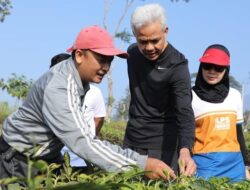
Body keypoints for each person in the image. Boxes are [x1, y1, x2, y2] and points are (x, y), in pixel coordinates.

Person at [0, 25, 176, 183]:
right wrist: (142, 164)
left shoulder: (78, 81)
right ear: (79, 55)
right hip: (18, 160)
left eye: (110, 61)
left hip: (45, 158)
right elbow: (82, 142)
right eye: (101, 59)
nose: (106, 67)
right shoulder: (60, 85)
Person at [123, 3, 196, 176]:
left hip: (163, 145)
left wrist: (185, 150)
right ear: (135, 35)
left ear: (166, 31)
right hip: (132, 139)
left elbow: (184, 110)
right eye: (143, 41)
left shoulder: (177, 65)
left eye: (155, 40)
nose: (149, 48)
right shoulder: (132, 53)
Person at [192, 44, 248, 182]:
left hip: (235, 165)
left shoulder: (235, 95)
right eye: (207, 66)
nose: (212, 71)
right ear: (201, 66)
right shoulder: (190, 96)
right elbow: (183, 134)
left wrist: (246, 163)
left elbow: (238, 132)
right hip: (204, 165)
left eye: (218, 68)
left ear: (226, 70)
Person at [50, 53, 106, 167]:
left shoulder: (94, 92)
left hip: (82, 151)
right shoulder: (50, 91)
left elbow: (99, 119)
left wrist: (89, 137)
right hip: (56, 149)